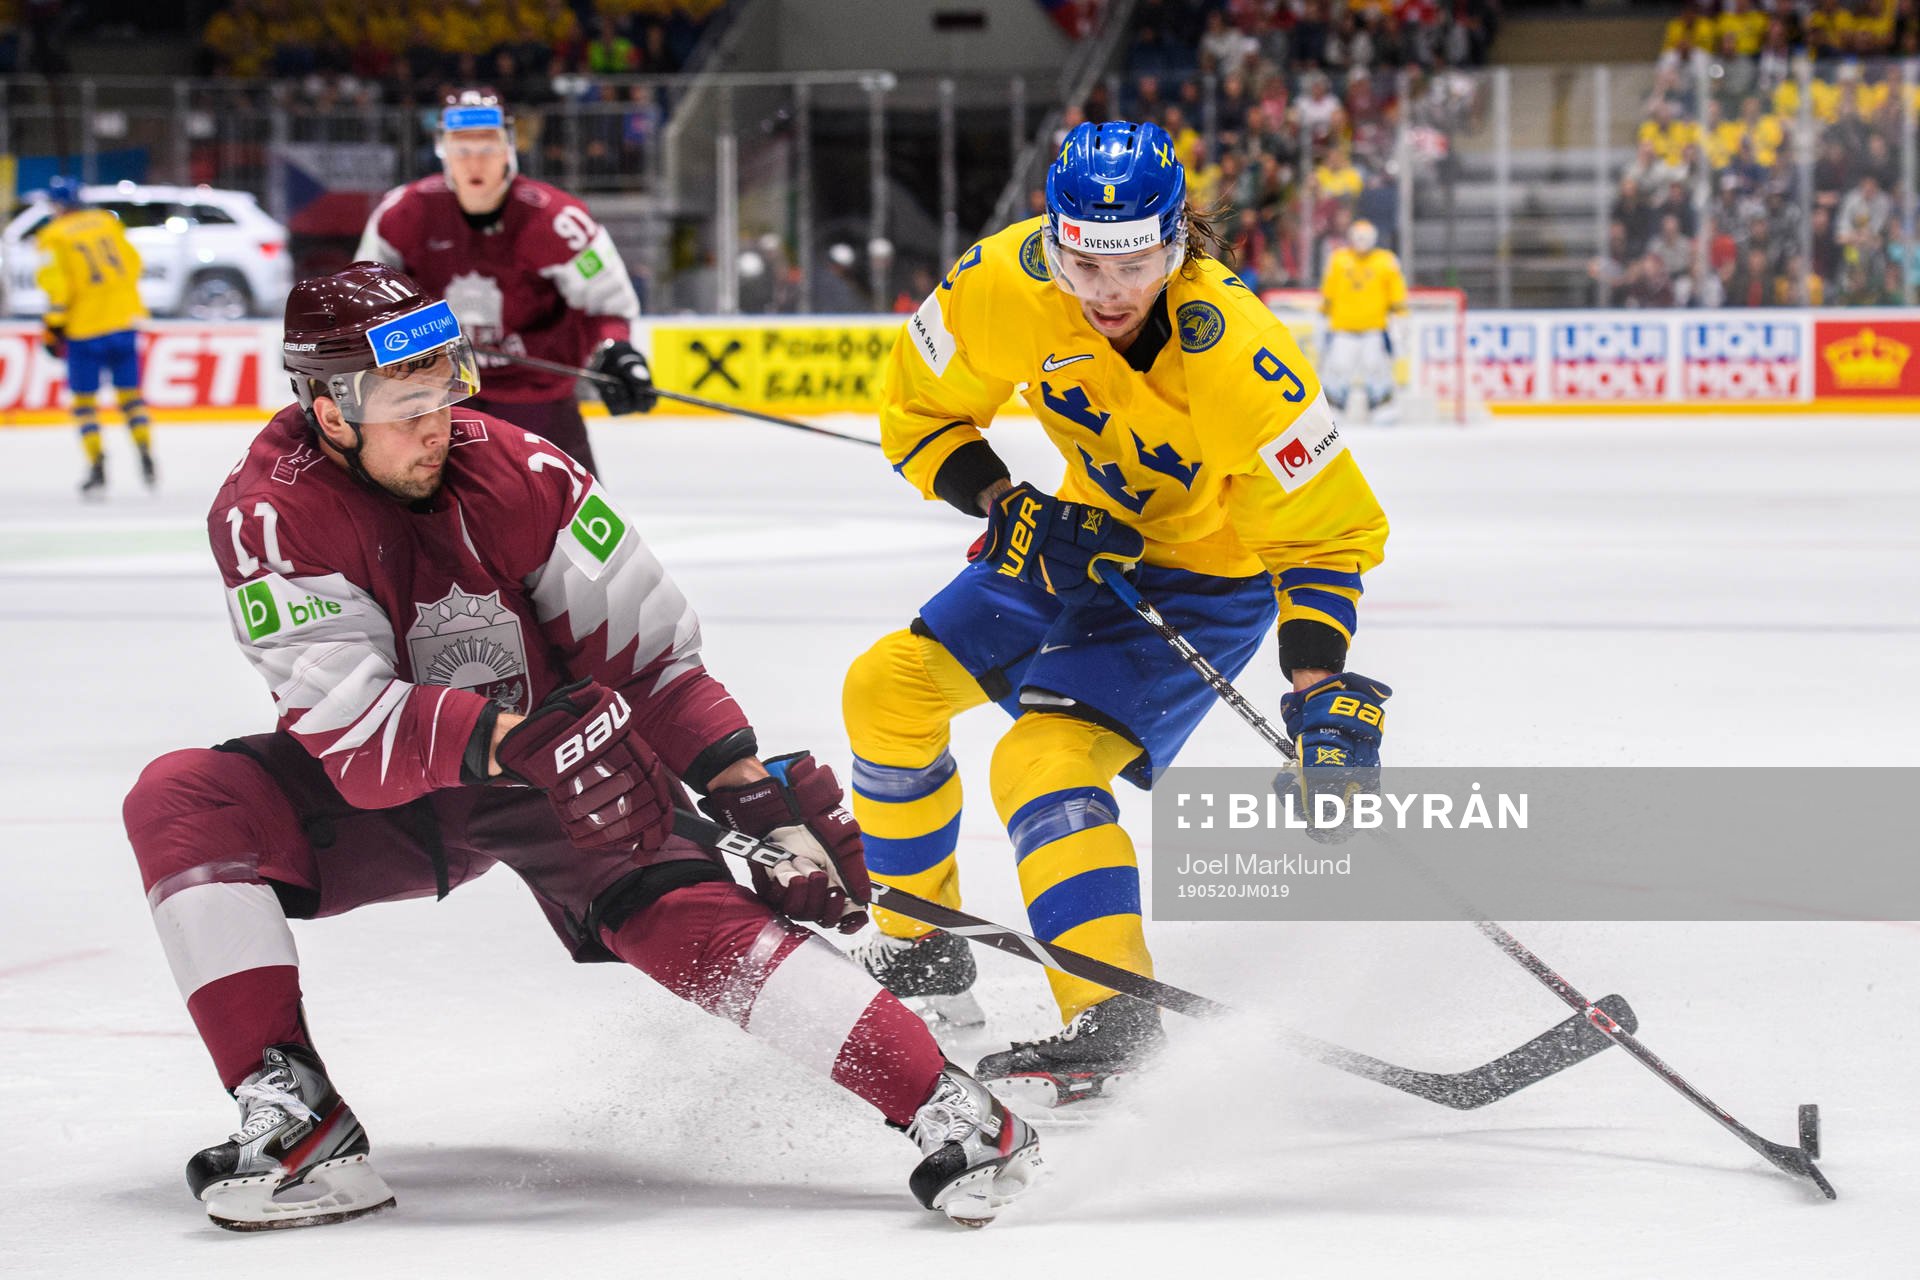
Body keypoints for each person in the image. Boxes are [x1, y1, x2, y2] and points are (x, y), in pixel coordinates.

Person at [121, 264, 1041, 1232]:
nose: (437, 425)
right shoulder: (269, 514)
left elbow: (650, 658)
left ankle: (954, 1108)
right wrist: (522, 743)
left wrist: (752, 797)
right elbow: (349, 723)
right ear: (329, 413)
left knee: (688, 922)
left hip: (569, 777)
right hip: (404, 796)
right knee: (182, 799)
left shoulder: (526, 471)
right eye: (407, 407)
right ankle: (299, 1120)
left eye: (445, 392)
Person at [843, 121, 1392, 1105]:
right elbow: (920, 411)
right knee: (885, 689)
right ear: (1053, 238)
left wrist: (1321, 691)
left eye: (1134, 262)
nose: (1108, 291)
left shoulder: (1239, 353)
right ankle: (921, 944)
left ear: (1176, 243)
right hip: (1077, 536)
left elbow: (1322, 537)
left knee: (1040, 759)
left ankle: (1113, 1014)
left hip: (1204, 578)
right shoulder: (1000, 279)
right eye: (1085, 262)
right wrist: (1006, 504)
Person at [355, 89, 653, 476]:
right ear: (443, 151)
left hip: (538, 403)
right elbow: (366, 303)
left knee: (576, 513)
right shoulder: (402, 214)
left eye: (487, 147)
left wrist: (617, 352)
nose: (474, 161)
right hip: (438, 400)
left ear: (509, 148)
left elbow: (606, 307)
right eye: (462, 149)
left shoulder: (559, 221)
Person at [34, 175, 155, 495]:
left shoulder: (53, 235)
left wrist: (54, 324)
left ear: (57, 204)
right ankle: (145, 450)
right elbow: (133, 263)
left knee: (85, 402)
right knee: (130, 396)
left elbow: (57, 285)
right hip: (124, 321)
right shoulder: (106, 222)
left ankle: (97, 464)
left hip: (84, 329)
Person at [1317, 218, 1409, 422]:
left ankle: (1382, 405)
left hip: (1374, 328)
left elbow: (1396, 292)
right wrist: (1323, 315)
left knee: (1376, 367)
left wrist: (1400, 317)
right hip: (1342, 327)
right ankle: (1333, 406)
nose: (1361, 241)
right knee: (1338, 367)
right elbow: (1328, 290)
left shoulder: (1386, 261)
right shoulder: (1338, 260)